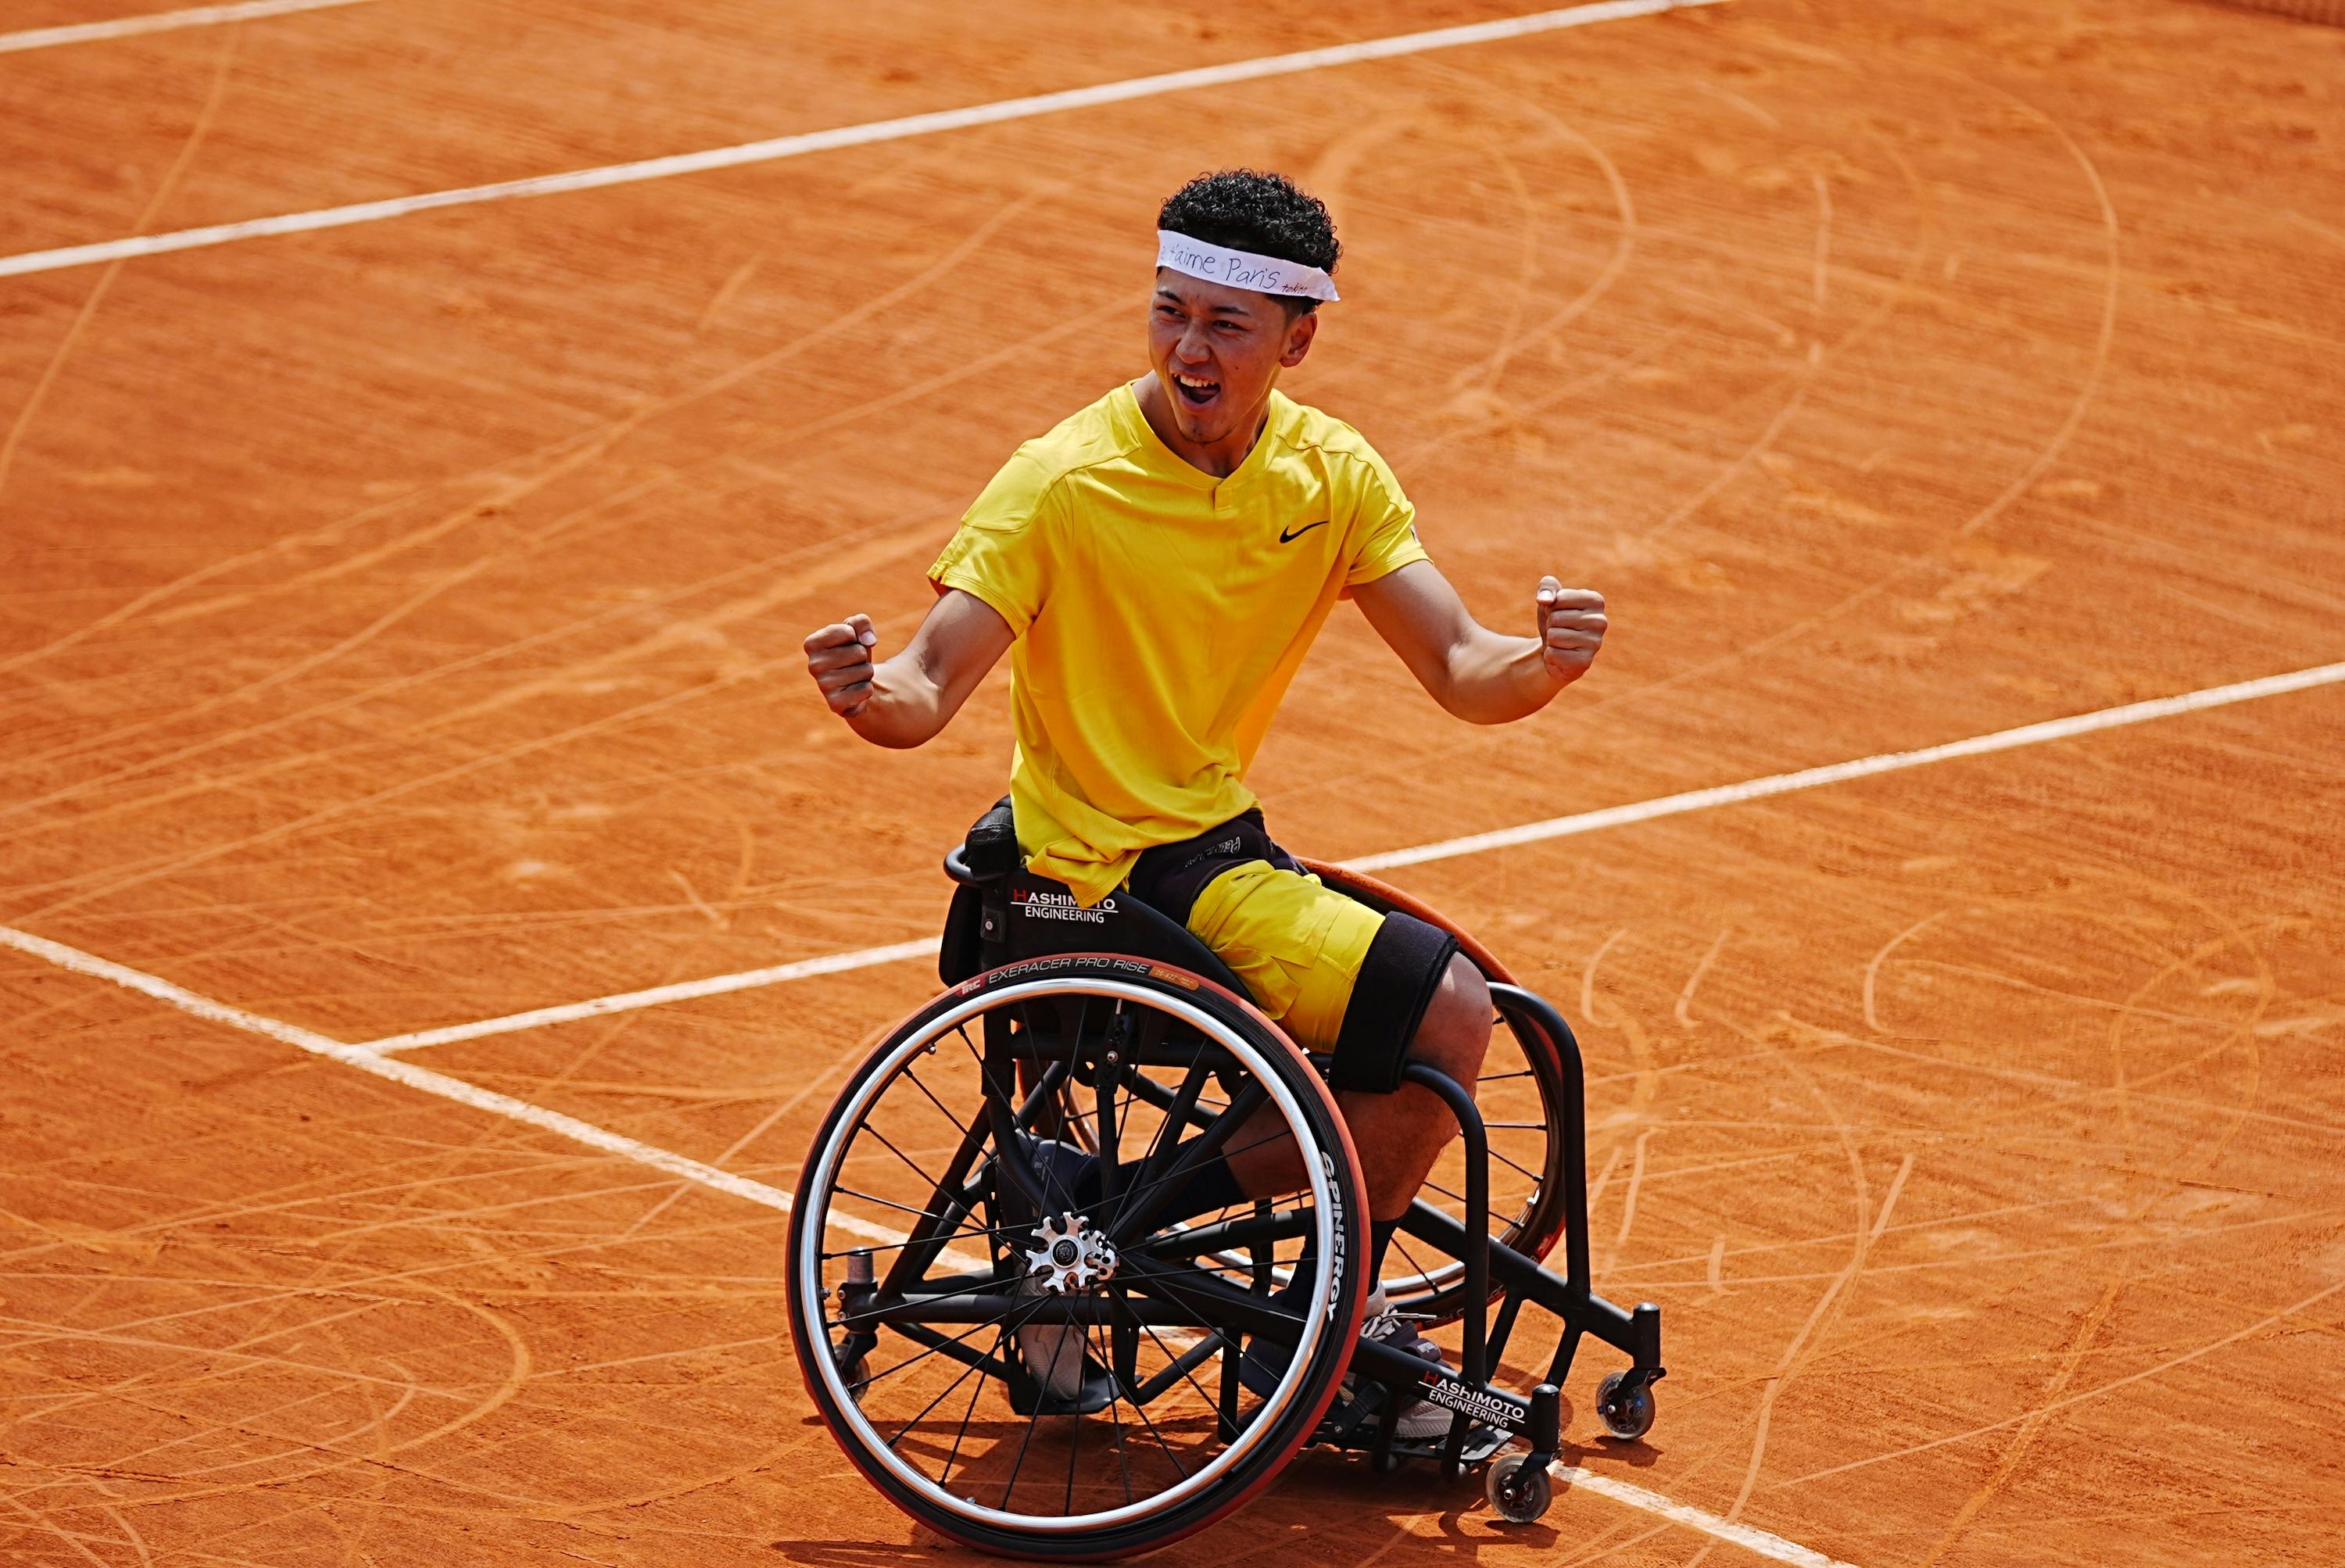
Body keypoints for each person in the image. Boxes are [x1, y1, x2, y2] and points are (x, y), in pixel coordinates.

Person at [802, 169, 1607, 1429]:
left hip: (1215, 854)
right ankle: (1313, 1316)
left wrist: (1545, 664)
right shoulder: (1063, 482)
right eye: (1169, 312)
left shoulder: (1329, 476)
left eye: (1227, 326)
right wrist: (865, 690)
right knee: (1446, 1013)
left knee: (1442, 1016)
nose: (1189, 348)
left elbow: (1462, 666)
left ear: (1298, 341)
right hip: (1089, 876)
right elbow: (926, 685)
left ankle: (1116, 1208)